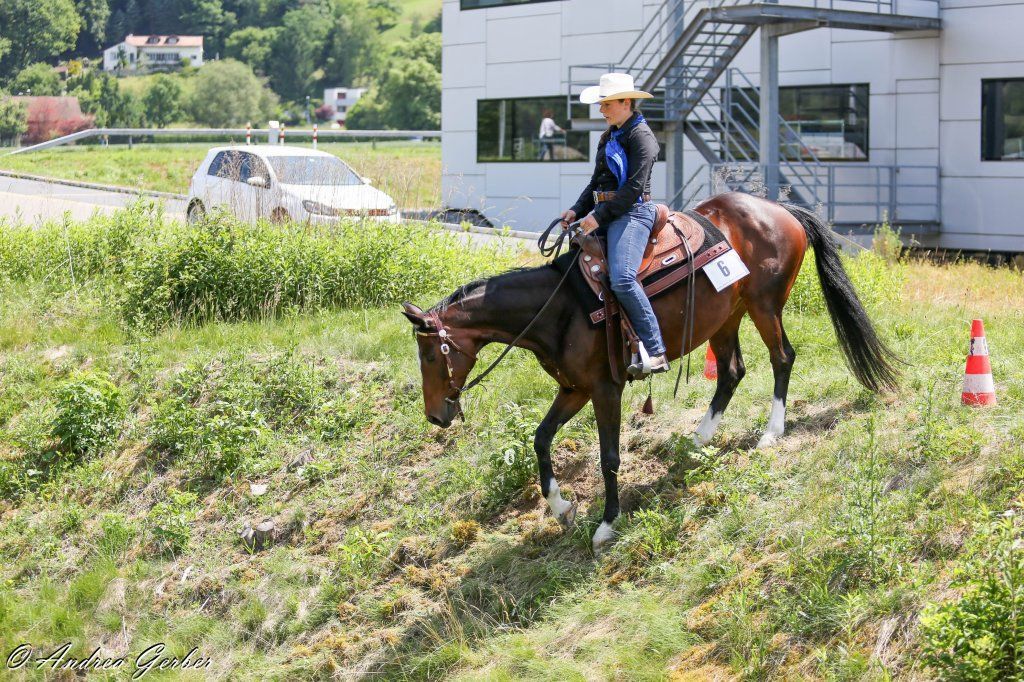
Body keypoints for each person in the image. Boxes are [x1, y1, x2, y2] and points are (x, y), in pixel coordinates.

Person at [561, 72, 669, 377]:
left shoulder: (642, 136)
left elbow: (633, 189)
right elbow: (595, 183)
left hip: (633, 213)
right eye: (601, 103)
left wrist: (597, 217)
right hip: (607, 211)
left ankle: (656, 349)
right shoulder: (609, 136)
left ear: (626, 102)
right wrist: (576, 210)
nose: (601, 109)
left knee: (622, 279)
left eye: (607, 103)